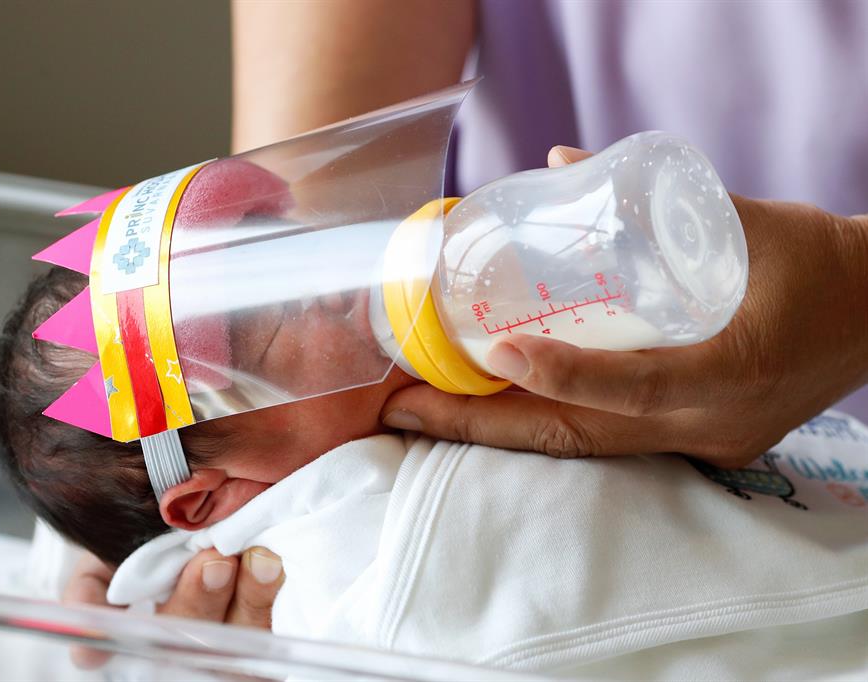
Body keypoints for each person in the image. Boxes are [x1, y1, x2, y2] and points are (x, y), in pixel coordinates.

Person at [63, 0, 868, 650]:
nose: (322, 276)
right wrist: (107, 487)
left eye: (276, 244)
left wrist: (851, 288)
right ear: (207, 502)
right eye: (259, 324)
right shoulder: (375, 566)